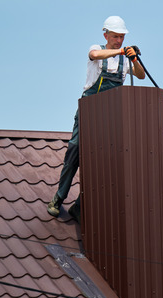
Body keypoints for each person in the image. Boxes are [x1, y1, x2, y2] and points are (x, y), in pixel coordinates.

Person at [47, 15, 145, 222]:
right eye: (116, 36)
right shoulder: (98, 49)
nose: (120, 40)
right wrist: (120, 51)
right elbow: (95, 54)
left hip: (110, 116)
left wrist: (134, 58)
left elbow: (141, 75)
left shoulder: (123, 59)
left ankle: (79, 206)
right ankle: (58, 198)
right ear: (106, 34)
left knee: (105, 163)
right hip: (89, 110)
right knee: (75, 150)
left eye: (122, 37)